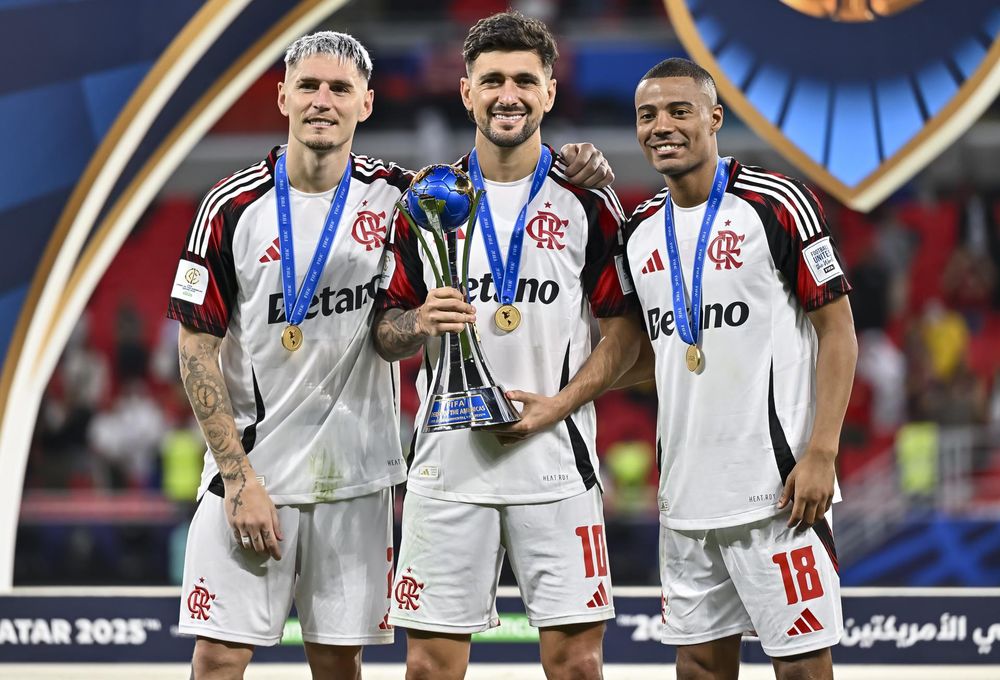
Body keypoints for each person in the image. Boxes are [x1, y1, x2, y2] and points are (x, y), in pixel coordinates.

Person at [165, 30, 613, 679]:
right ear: (282, 95)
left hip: (360, 480)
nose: (323, 100)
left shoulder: (408, 195)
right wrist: (236, 477)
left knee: (339, 664)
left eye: (340, 88)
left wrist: (583, 156)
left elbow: (496, 177)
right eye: (310, 86)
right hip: (254, 473)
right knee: (217, 659)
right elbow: (195, 348)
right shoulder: (230, 206)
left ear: (366, 104)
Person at [373, 12, 644, 680]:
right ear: (465, 91)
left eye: (525, 78)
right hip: (447, 462)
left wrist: (558, 405)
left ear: (550, 91)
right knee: (430, 667)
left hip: (557, 460)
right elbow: (383, 333)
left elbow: (626, 337)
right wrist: (417, 323)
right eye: (491, 79)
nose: (508, 93)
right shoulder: (426, 200)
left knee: (578, 664)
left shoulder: (588, 201)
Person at [622, 58, 857, 679]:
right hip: (686, 499)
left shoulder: (776, 203)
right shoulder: (640, 230)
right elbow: (652, 353)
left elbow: (838, 332)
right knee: (698, 665)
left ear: (714, 118)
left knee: (802, 667)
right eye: (648, 115)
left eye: (679, 110)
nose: (661, 126)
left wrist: (822, 453)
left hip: (778, 493)